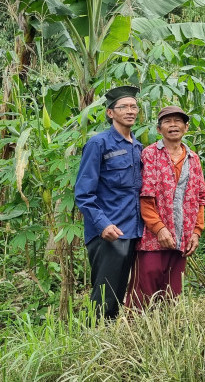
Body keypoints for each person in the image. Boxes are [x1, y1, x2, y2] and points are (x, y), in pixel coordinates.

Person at [125, 105, 205, 309]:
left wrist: (196, 231)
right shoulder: (150, 154)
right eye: (167, 122)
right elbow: (146, 197)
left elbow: (200, 198)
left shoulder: (193, 158)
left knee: (172, 293)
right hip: (153, 238)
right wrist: (160, 229)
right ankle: (134, 333)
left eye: (178, 121)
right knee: (144, 290)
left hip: (183, 237)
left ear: (186, 127)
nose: (173, 125)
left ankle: (164, 334)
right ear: (159, 129)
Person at [75, 85, 143, 320]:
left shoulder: (137, 146)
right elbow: (83, 193)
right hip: (108, 232)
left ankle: (109, 343)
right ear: (110, 113)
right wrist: (103, 225)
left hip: (132, 230)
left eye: (134, 106)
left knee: (117, 294)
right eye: (123, 107)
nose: (130, 111)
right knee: (103, 296)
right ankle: (92, 342)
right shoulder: (99, 144)